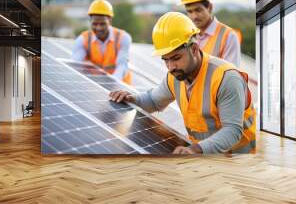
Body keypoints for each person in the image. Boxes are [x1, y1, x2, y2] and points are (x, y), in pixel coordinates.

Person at [109, 12, 256, 154]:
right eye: (165, 59)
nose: (171, 67)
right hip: (204, 156)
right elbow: (153, 101)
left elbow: (232, 131)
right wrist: (132, 98)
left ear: (194, 49)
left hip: (239, 160)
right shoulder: (175, 76)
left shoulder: (226, 78)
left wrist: (195, 149)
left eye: (176, 58)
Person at [72, 0, 132, 84]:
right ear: (90, 21)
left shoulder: (123, 37)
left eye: (102, 24)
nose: (98, 28)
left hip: (121, 88)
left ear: (110, 21)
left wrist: (111, 84)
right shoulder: (82, 39)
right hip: (96, 88)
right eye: (95, 24)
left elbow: (122, 65)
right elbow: (75, 64)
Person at [180, 0, 241, 67]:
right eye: (190, 11)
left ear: (210, 8)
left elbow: (231, 74)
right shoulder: (186, 36)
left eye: (198, 10)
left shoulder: (229, 36)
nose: (194, 16)